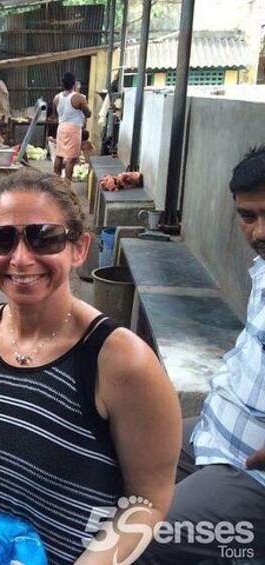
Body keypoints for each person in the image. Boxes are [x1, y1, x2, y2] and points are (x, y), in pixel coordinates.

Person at [0, 170, 181, 564]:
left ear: (78, 249)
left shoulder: (121, 362)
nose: (21, 258)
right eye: (1, 239)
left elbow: (147, 503)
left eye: (44, 237)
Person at [137, 146, 265, 564]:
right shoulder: (263, 267)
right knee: (113, 451)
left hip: (252, 471)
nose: (259, 232)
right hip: (214, 431)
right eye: (248, 217)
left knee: (139, 539)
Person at [50, 72, 91, 182]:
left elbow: (55, 115)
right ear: (74, 84)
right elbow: (88, 114)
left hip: (61, 127)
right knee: (71, 159)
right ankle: (67, 184)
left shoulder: (56, 98)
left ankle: (56, 181)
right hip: (74, 129)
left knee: (59, 155)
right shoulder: (78, 98)